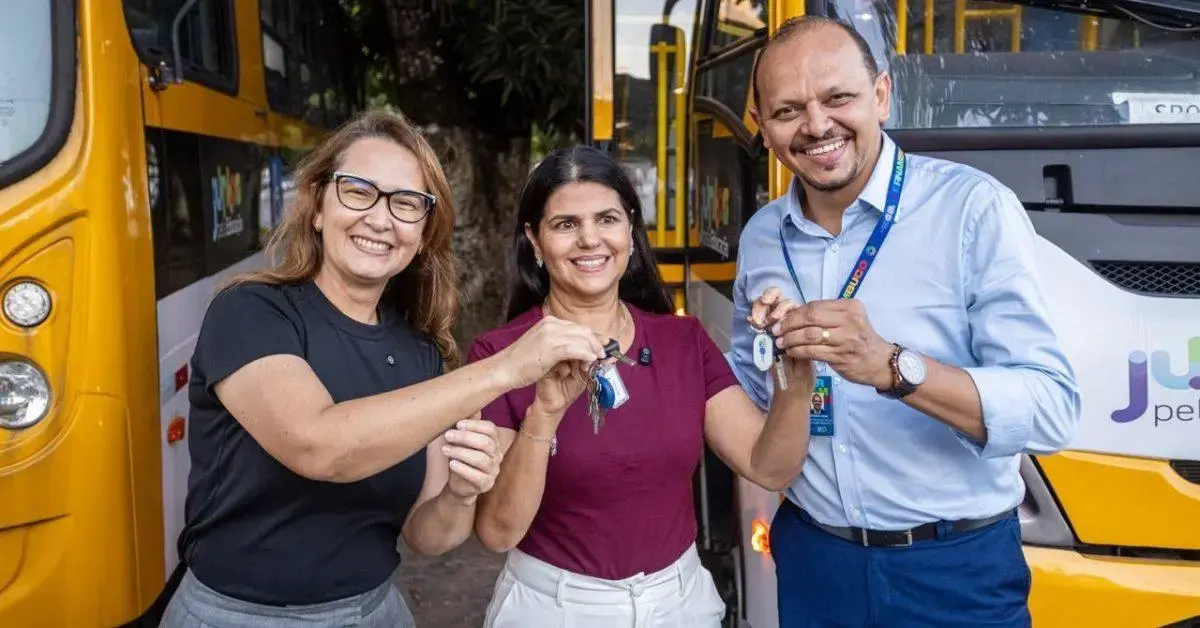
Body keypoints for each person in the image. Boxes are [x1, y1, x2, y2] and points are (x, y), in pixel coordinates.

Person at [160, 110, 608, 627]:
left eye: (406, 203)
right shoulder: (252, 311)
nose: (380, 217)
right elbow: (318, 445)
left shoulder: (420, 353)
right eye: (358, 190)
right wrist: (507, 368)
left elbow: (427, 534)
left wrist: (461, 494)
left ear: (423, 231)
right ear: (317, 207)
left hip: (374, 613)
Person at [729, 16, 1081, 627]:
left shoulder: (971, 208)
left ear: (882, 95)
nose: (816, 126)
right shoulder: (762, 237)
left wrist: (894, 367)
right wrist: (779, 359)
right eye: (788, 111)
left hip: (955, 566)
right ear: (762, 129)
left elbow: (1051, 408)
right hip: (815, 559)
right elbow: (752, 399)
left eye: (838, 98)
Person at [465, 145, 815, 628]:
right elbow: (498, 532)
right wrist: (543, 418)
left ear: (630, 229)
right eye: (566, 225)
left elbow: (768, 467)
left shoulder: (683, 340)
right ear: (535, 240)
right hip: (555, 609)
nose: (590, 239)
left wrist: (794, 381)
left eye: (607, 219)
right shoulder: (499, 356)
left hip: (681, 604)